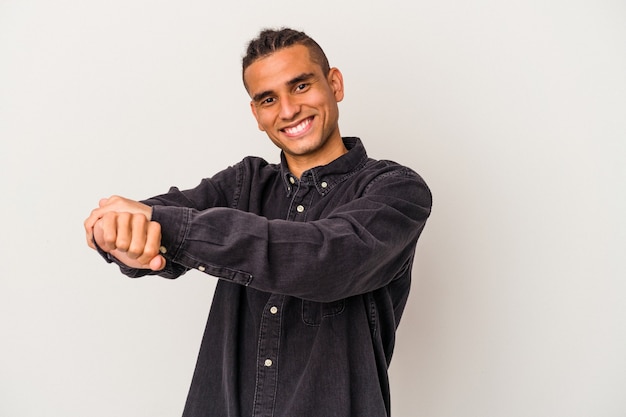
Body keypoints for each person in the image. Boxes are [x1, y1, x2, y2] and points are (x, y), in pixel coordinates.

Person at [84, 27, 432, 417]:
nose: (287, 110)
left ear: (334, 83)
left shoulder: (396, 190)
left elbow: (325, 258)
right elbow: (157, 219)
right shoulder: (243, 183)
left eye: (300, 86)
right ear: (256, 113)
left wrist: (165, 226)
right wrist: (117, 232)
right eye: (268, 99)